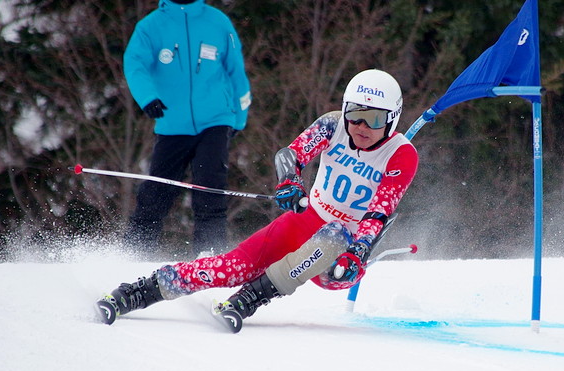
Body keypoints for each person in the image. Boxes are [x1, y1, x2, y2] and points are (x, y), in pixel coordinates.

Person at [97, 69, 418, 330]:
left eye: (374, 119)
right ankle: (142, 291)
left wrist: (358, 253)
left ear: (392, 119)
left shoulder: (402, 155)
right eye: (355, 114)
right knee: (229, 268)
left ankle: (250, 298)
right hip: (301, 222)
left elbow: (378, 213)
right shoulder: (334, 124)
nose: (361, 126)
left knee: (335, 235)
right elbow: (290, 155)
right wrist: (290, 181)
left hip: (342, 255)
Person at [122, 0, 251, 257]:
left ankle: (210, 261)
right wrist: (147, 98)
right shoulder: (150, 26)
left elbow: (237, 73)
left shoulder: (218, 22)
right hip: (172, 125)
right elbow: (135, 63)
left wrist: (238, 119)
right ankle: (131, 258)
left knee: (209, 193)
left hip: (216, 121)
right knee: (155, 195)